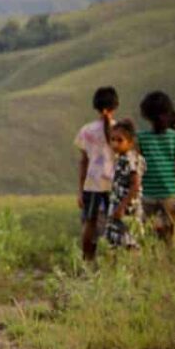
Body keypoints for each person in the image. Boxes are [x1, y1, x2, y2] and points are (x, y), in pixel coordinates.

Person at [137, 91, 175, 243]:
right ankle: (166, 261)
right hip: (169, 194)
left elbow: (137, 166)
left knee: (148, 234)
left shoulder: (141, 137)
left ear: (146, 115)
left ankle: (153, 261)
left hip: (148, 194)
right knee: (168, 234)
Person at [74, 87, 118, 261]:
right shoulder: (120, 130)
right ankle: (113, 258)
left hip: (92, 182)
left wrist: (80, 190)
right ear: (116, 106)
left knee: (89, 222)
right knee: (114, 222)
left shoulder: (86, 130)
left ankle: (87, 258)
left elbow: (84, 161)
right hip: (114, 182)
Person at [104, 119, 145, 250]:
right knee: (116, 242)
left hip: (127, 208)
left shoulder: (130, 159)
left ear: (130, 142)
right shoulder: (121, 157)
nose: (115, 144)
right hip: (117, 204)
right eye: (113, 140)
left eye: (120, 140)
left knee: (129, 241)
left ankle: (132, 268)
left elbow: (135, 184)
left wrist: (122, 206)